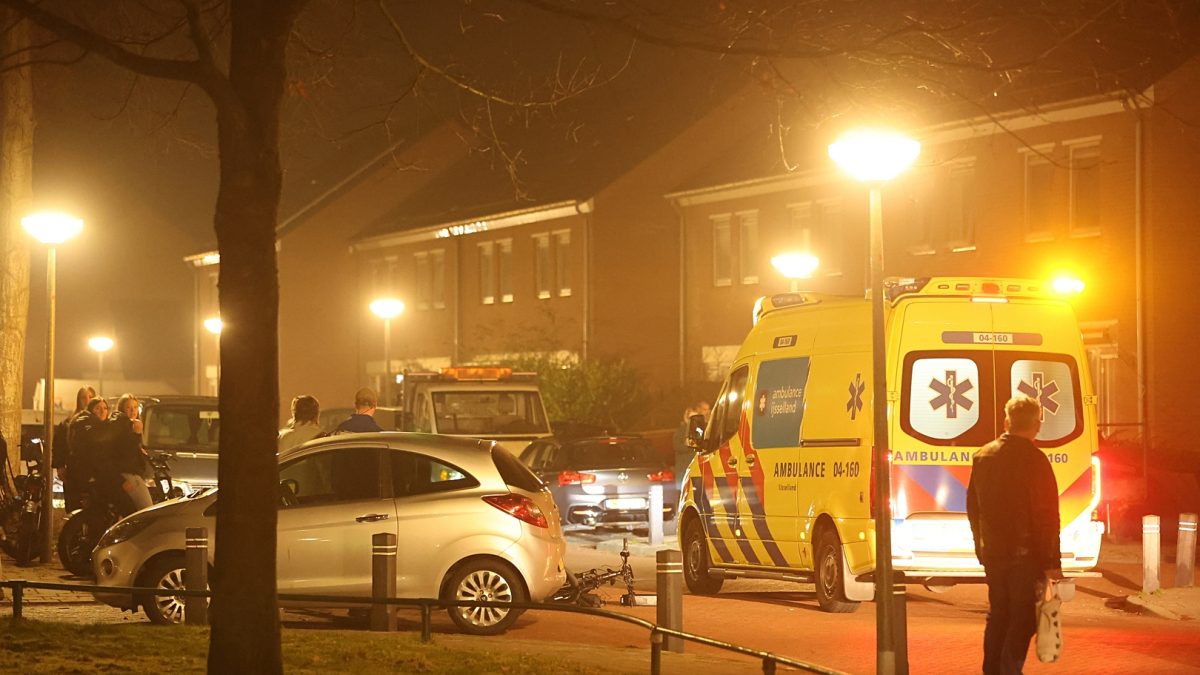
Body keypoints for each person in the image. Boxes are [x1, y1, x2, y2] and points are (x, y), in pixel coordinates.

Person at [967, 395, 1062, 675]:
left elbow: (974, 508)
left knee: (998, 615)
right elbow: (1046, 515)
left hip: (995, 554)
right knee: (1023, 619)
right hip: (1027, 557)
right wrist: (1052, 561)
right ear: (1037, 425)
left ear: (1007, 422)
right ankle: (1008, 670)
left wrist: (981, 548)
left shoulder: (983, 456)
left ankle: (992, 670)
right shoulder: (1036, 461)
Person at [54, 386, 95, 510]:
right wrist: (60, 467)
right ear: (78, 400)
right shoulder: (68, 423)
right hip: (73, 472)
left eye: (90, 397)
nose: (87, 400)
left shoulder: (99, 422)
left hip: (93, 472)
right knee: (74, 507)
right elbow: (58, 446)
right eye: (83, 397)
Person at [111, 394, 152, 512]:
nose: (133, 410)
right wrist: (136, 434)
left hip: (128, 472)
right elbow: (126, 452)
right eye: (128, 407)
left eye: (135, 407)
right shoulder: (124, 425)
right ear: (122, 409)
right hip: (129, 473)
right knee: (147, 510)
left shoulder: (125, 424)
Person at [672, 400, 710, 484]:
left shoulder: (700, 431)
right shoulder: (680, 431)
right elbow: (677, 446)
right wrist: (691, 446)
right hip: (684, 470)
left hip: (698, 470)